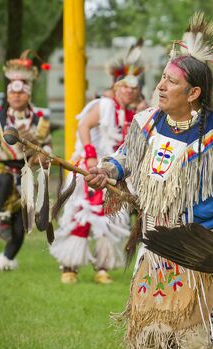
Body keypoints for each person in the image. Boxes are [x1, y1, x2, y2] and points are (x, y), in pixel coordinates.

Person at [85, 13, 213, 348]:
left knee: (198, 339)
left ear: (193, 93)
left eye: (170, 82)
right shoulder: (146, 122)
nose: (160, 86)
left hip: (204, 254)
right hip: (156, 250)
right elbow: (126, 157)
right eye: (161, 78)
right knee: (151, 336)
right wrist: (107, 171)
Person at [50, 46, 145, 284]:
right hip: (87, 168)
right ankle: (69, 266)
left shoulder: (133, 114)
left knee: (110, 216)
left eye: (133, 89)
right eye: (124, 87)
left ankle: (102, 267)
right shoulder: (104, 105)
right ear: (116, 87)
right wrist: (91, 154)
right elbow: (83, 126)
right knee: (81, 213)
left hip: (112, 172)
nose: (129, 92)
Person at [0, 51, 51, 270]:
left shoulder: (40, 122)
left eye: (21, 93)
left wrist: (41, 157)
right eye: (12, 93)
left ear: (28, 95)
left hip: (23, 174)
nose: (16, 96)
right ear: (7, 94)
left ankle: (5, 260)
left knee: (20, 224)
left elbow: (47, 149)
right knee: (3, 180)